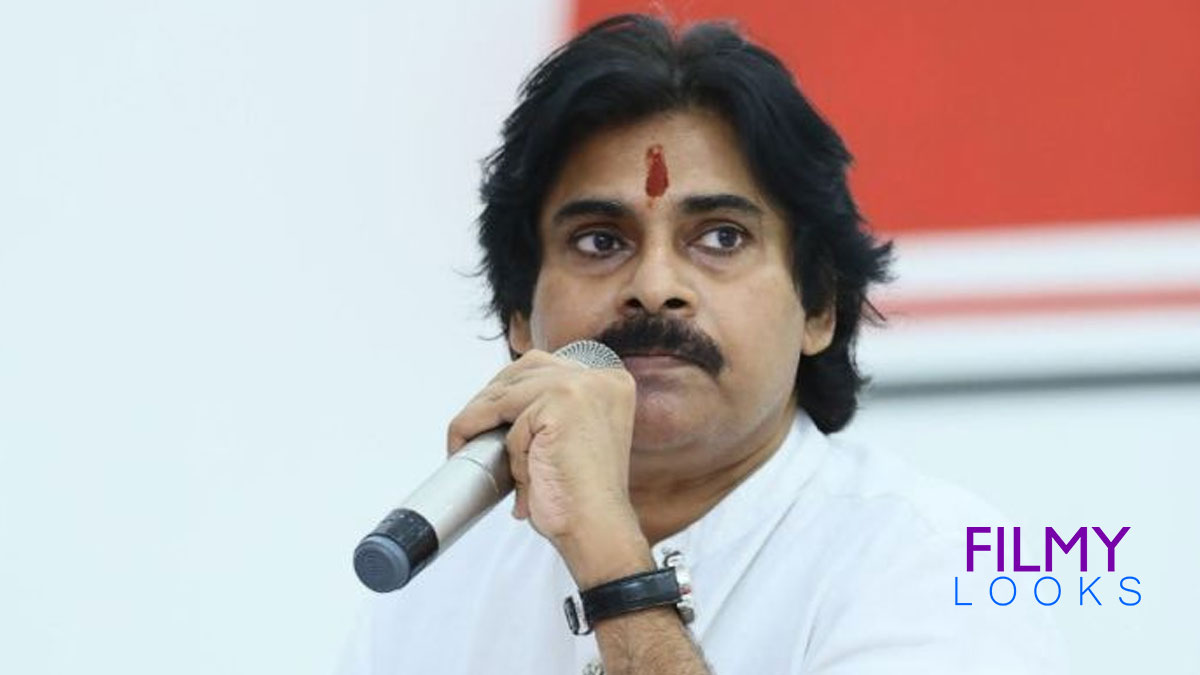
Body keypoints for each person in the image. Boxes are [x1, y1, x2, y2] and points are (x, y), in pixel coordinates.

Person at [339, 14, 1064, 674]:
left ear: (819, 306)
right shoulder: (442, 586)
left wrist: (610, 559)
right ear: (520, 318)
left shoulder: (936, 560)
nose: (655, 287)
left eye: (720, 237)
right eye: (599, 241)